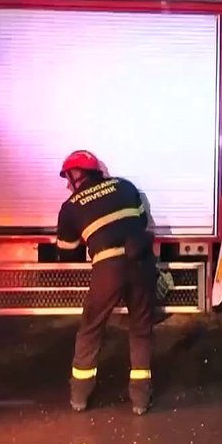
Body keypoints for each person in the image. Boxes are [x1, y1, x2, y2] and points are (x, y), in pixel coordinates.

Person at [54, 150, 159, 414]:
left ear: (79, 175)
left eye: (68, 177)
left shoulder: (70, 206)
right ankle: (140, 400)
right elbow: (144, 221)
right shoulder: (125, 186)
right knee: (141, 329)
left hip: (107, 270)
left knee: (91, 328)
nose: (67, 184)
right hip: (142, 264)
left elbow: (67, 251)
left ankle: (79, 396)